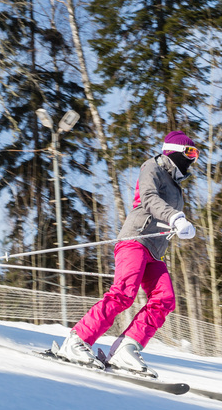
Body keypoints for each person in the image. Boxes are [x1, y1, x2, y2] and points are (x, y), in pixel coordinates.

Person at [57, 130, 199, 377]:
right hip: (135, 240)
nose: (193, 159)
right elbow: (149, 198)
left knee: (165, 299)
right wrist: (175, 217)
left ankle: (125, 348)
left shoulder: (177, 187)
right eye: (190, 152)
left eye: (195, 154)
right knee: (123, 293)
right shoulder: (152, 167)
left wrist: (180, 223)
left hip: (155, 250)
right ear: (175, 151)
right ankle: (77, 340)